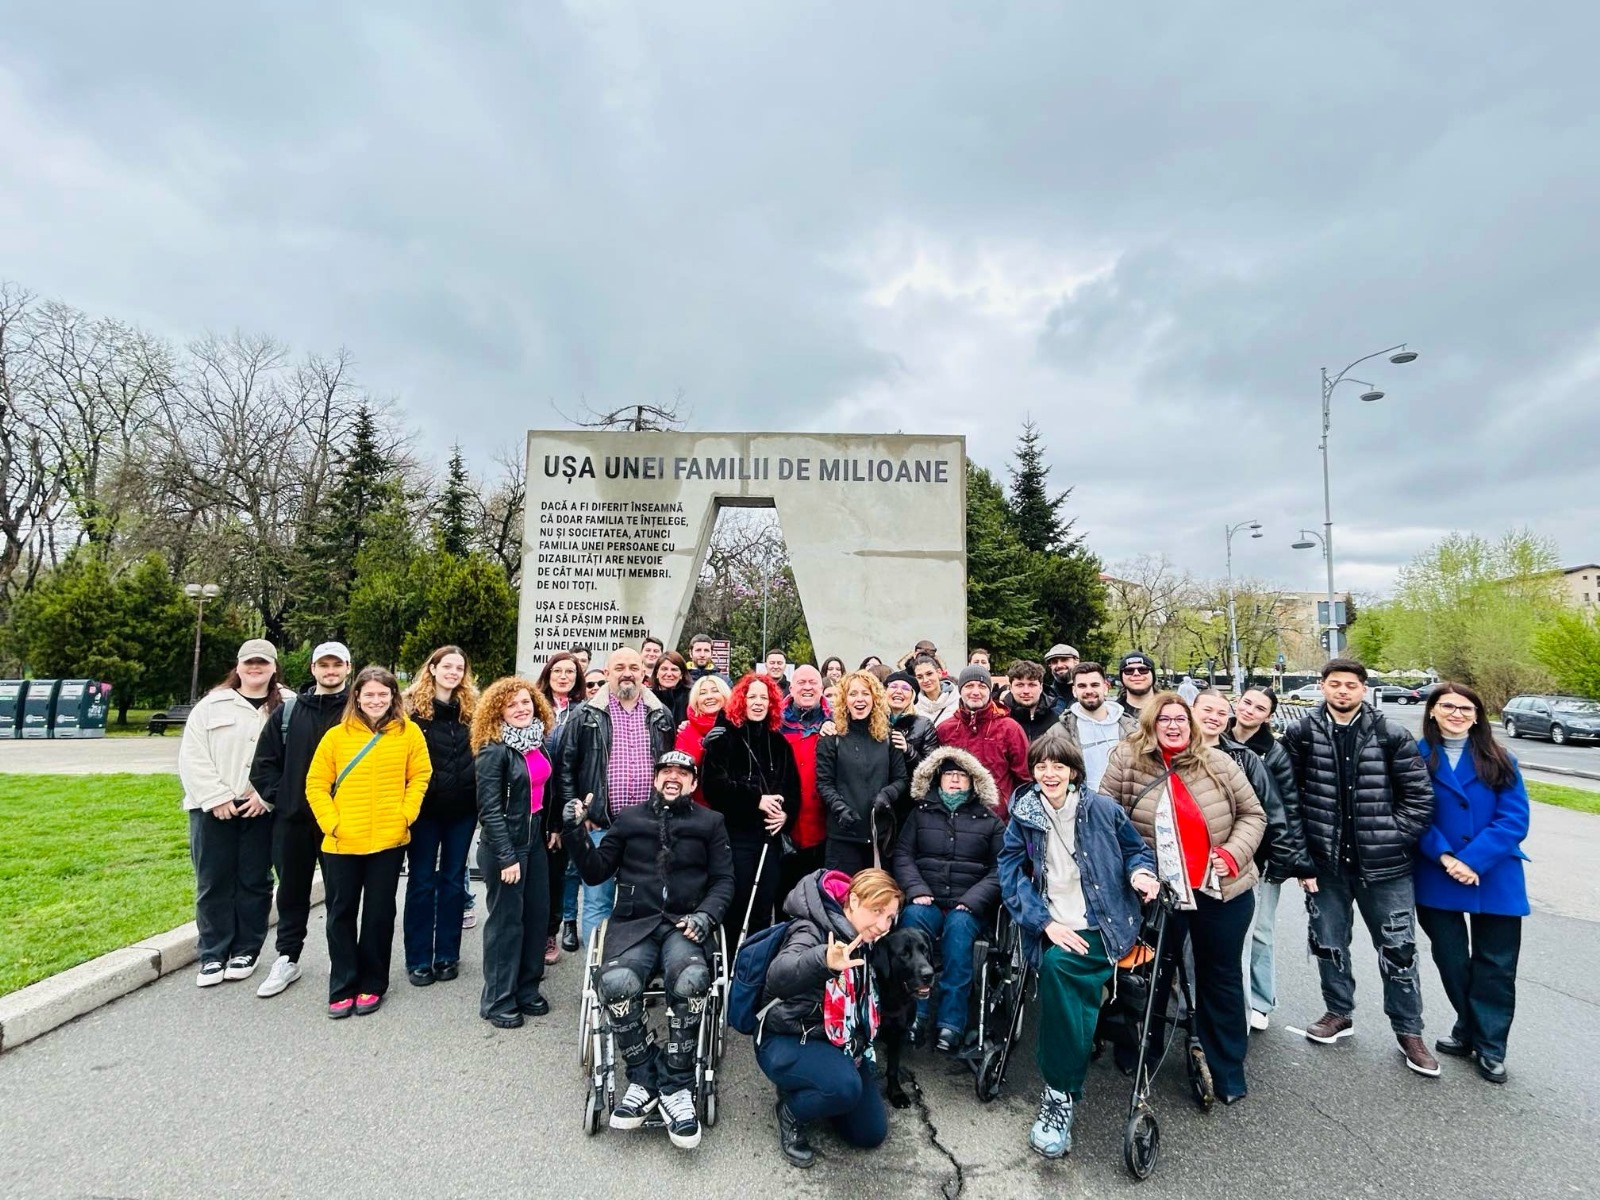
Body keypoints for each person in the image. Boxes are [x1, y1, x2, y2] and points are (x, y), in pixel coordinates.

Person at [999, 727, 1159, 1159]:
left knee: (1062, 976)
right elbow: (1011, 875)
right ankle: (1060, 1094)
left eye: (1058, 765)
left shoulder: (1102, 808)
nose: (1049, 773)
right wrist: (1043, 922)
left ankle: (1058, 1091)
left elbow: (1136, 852)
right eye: (1041, 765)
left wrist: (1141, 874)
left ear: (1074, 771)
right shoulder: (1025, 815)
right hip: (1055, 924)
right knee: (1058, 969)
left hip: (1104, 924)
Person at [563, 750, 735, 1151]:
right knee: (618, 982)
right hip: (634, 924)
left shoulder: (711, 823)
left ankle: (677, 1083)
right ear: (655, 778)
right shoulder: (629, 819)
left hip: (685, 923)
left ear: (693, 783)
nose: (673, 777)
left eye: (682, 772)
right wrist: (574, 830)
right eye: (666, 771)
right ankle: (642, 1076)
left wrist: (707, 917)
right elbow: (594, 871)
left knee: (693, 979)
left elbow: (725, 881)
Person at [1101, 694, 1266, 1104]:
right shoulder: (1127, 759)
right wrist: (1132, 871)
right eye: (1164, 719)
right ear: (1150, 723)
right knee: (1151, 975)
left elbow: (1253, 815)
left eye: (1180, 719)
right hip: (1155, 894)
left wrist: (1232, 854)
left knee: (1219, 977)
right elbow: (1105, 820)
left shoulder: (1219, 762)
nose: (1173, 726)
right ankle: (1141, 1050)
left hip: (1218, 889)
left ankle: (1225, 1065)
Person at [1279, 657, 1439, 1075]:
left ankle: (1409, 1031)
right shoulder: (1301, 733)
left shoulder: (1390, 733)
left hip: (1385, 868)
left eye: (1351, 685)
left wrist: (1391, 836)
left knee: (1399, 951)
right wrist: (1301, 858)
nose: (1343, 691)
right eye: (1335, 684)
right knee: (1329, 943)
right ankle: (1338, 1012)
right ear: (1323, 687)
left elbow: (1419, 799)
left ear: (1363, 689)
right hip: (1326, 866)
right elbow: (1288, 800)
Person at [1414, 683, 1528, 1084]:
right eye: (1447, 706)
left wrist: (1472, 860)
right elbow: (1410, 812)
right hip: (1436, 868)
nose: (1457, 713)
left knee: (1496, 965)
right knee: (1451, 959)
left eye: (1466, 708)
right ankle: (1471, 1027)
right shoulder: (1414, 756)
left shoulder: (1501, 758)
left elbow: (1514, 819)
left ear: (1477, 716)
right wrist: (1446, 856)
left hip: (1494, 872)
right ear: (1432, 711)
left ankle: (1490, 1045)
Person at [305, 665, 432, 1018]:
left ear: (393, 697)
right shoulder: (336, 736)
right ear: (356, 697)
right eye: (369, 694)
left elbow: (420, 775)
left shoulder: (409, 734)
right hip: (342, 841)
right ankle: (342, 983)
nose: (376, 700)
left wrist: (406, 814)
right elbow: (315, 783)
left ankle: (373, 983)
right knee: (340, 914)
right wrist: (332, 823)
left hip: (388, 842)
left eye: (383, 694)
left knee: (378, 914)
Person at [758, 867, 903, 1168]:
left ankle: (822, 1087)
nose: (882, 925)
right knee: (845, 1087)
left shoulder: (865, 938)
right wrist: (823, 960)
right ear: (852, 901)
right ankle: (791, 1111)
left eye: (889, 917)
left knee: (869, 1134)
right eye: (876, 911)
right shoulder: (810, 928)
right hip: (789, 1037)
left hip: (839, 1041)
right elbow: (779, 975)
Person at [180, 638, 289, 988]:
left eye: (262, 663)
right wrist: (216, 797)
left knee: (254, 881)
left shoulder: (288, 705)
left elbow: (294, 758)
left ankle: (246, 948)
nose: (255, 668)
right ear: (238, 666)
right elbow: (193, 756)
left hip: (261, 809)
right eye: (249, 663)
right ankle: (213, 952)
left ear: (274, 667)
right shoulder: (211, 705)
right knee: (213, 881)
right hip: (213, 809)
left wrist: (265, 796)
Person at [250, 640, 351, 997]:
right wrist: (288, 798)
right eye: (324, 665)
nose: (330, 671)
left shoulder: (357, 714)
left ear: (347, 669)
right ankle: (287, 957)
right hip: (293, 822)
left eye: (336, 665)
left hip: (341, 823)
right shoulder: (288, 713)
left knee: (342, 896)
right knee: (291, 893)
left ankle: (344, 963)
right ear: (313, 670)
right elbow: (263, 765)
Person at [556, 648, 677, 944]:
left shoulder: (661, 714)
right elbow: (566, 767)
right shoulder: (585, 715)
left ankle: (630, 973)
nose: (627, 673)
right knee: (598, 902)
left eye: (634, 667)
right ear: (607, 673)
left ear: (643, 674)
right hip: (601, 826)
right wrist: (578, 817)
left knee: (646, 903)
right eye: (619, 667)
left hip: (649, 826)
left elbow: (671, 767)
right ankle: (595, 982)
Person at [893, 748, 1004, 1051]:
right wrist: (916, 889)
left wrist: (972, 900)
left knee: (958, 934)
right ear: (938, 780)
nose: (954, 781)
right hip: (926, 899)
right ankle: (916, 1014)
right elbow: (903, 855)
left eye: (961, 776)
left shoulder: (990, 821)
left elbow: (1000, 869)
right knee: (912, 923)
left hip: (966, 905)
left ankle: (950, 1023)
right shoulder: (920, 814)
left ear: (973, 782)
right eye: (948, 775)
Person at [471, 675, 558, 1028]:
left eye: (526, 702)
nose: (521, 709)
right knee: (507, 924)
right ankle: (498, 999)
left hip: (534, 839)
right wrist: (507, 856)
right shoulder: (494, 750)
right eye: (512, 705)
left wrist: (551, 828)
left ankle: (525, 989)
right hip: (504, 845)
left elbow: (541, 796)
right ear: (498, 712)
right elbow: (489, 808)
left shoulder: (537, 742)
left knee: (537, 917)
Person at [1226, 685, 1313, 1029]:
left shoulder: (1273, 753)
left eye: (1259, 708)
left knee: (1260, 930)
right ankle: (1232, 998)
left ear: (1268, 716)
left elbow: (1286, 806)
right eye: (1246, 702)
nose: (1249, 711)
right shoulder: (1214, 736)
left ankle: (1261, 1000)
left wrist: (1285, 857)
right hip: (1220, 849)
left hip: (1260, 853)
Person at [400, 645, 478, 988]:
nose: (453, 672)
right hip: (424, 811)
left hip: (462, 810)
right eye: (447, 666)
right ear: (432, 668)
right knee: (421, 882)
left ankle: (447, 954)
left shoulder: (472, 710)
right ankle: (418, 958)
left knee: (452, 881)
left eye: (459, 667)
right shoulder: (410, 709)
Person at [700, 673, 801, 938]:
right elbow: (713, 788)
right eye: (751, 697)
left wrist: (786, 816)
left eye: (763, 698)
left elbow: (793, 790)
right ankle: (730, 962)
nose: (758, 703)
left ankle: (754, 966)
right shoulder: (723, 738)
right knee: (737, 905)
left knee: (762, 907)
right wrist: (755, 800)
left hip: (770, 839)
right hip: (735, 836)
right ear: (740, 701)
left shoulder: (779, 743)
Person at [816, 671, 909, 872]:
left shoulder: (888, 736)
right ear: (844, 700)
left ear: (875, 698)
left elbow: (901, 779)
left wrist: (887, 795)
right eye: (853, 694)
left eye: (865, 693)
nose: (859, 699)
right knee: (842, 900)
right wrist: (839, 807)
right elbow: (824, 782)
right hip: (843, 836)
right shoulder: (831, 738)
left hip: (880, 836)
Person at [536, 651, 586, 956]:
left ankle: (550, 931)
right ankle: (533, 930)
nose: (564, 676)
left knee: (559, 872)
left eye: (570, 671)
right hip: (536, 800)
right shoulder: (533, 705)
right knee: (536, 873)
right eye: (558, 670)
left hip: (567, 800)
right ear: (548, 673)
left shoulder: (583, 710)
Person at [934, 664, 1029, 821]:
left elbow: (1024, 779)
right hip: (956, 819)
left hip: (999, 819)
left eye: (982, 686)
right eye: (969, 686)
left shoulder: (1009, 728)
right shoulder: (945, 729)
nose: (975, 692)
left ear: (990, 691)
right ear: (960, 690)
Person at [779, 665, 833, 894]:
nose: (808, 687)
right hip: (783, 829)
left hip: (823, 828)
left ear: (822, 688)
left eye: (813, 683)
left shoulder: (836, 724)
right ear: (791, 687)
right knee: (782, 898)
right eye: (802, 683)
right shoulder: (774, 723)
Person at [1058, 661, 1139, 792]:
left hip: (1124, 806)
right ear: (1074, 691)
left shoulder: (1132, 728)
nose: (1089, 691)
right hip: (1081, 806)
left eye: (1095, 685)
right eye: (1082, 686)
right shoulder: (1059, 732)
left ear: (1105, 687)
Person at [676, 673, 733, 803]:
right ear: (696, 700)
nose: (709, 697)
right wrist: (703, 747)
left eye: (715, 691)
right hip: (697, 806)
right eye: (702, 693)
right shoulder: (686, 731)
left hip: (731, 805)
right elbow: (682, 771)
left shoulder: (738, 726)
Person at [883, 670, 939, 776]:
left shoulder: (924, 725)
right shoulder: (874, 722)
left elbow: (932, 770)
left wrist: (908, 750)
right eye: (894, 686)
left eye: (905, 688)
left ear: (912, 696)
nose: (899, 691)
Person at [1001, 660, 1058, 744]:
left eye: (1032, 685)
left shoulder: (1055, 720)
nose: (1026, 691)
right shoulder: (1001, 719)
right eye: (1020, 685)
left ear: (1041, 687)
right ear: (1011, 688)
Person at [911, 655, 958, 726]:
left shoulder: (959, 702)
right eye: (920, 677)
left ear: (939, 673)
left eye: (929, 674)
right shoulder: (913, 709)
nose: (925, 680)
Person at [652, 650, 692, 725]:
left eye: (674, 669)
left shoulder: (691, 697)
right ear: (657, 673)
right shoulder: (648, 698)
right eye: (664, 669)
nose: (669, 674)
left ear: (681, 675)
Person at [1116, 651, 1159, 718]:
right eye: (1129, 671)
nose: (1136, 673)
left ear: (1153, 675)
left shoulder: (1171, 708)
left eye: (1143, 670)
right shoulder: (1112, 713)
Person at [1041, 644, 1080, 712]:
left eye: (1064, 660)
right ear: (1050, 666)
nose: (1059, 665)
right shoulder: (1044, 697)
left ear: (1076, 662)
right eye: (1054, 662)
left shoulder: (1088, 694)